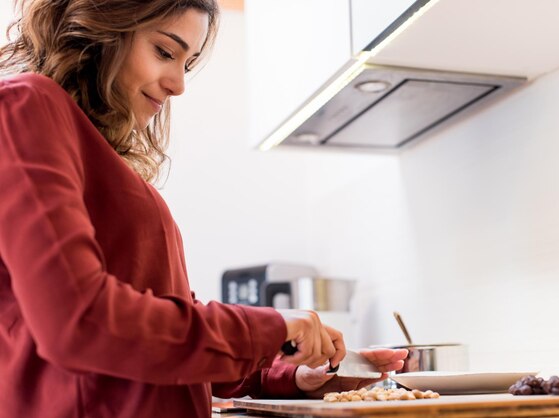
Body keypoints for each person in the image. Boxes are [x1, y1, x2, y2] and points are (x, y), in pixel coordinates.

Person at [0, 0, 408, 417]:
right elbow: (79, 320)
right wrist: (270, 329)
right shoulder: (26, 105)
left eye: (187, 64)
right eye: (164, 51)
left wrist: (291, 374)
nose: (178, 85)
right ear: (100, 30)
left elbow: (164, 341)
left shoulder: (97, 156)